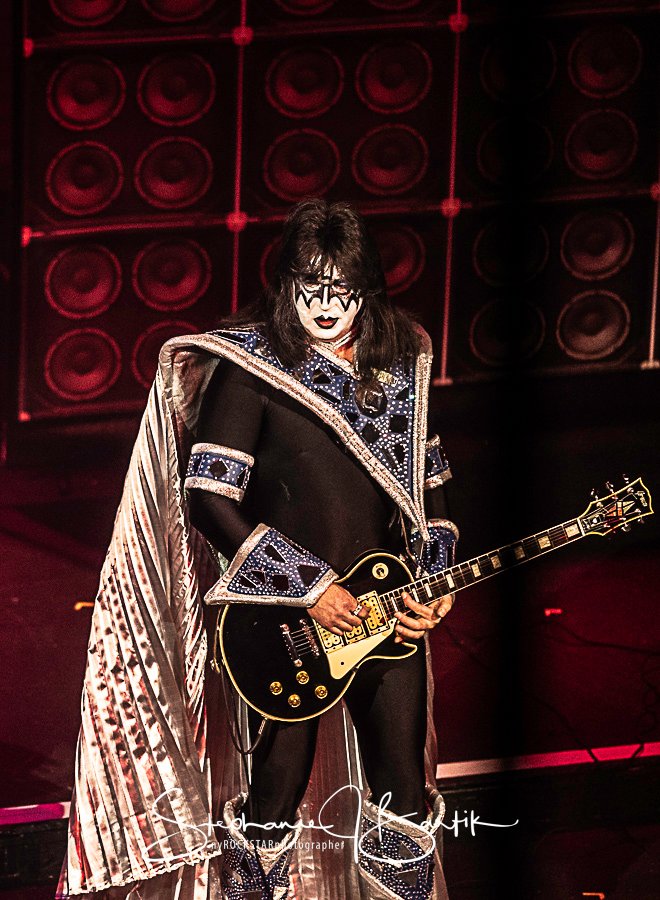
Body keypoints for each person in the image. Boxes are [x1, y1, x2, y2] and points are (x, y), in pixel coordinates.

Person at [57, 199, 457, 900]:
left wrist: (436, 578)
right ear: (285, 284)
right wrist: (311, 587)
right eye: (310, 287)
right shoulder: (249, 369)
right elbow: (209, 499)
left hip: (387, 608)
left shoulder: (400, 361)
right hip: (281, 617)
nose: (325, 306)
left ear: (367, 288)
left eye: (342, 290)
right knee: (273, 796)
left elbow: (428, 489)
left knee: (406, 796)